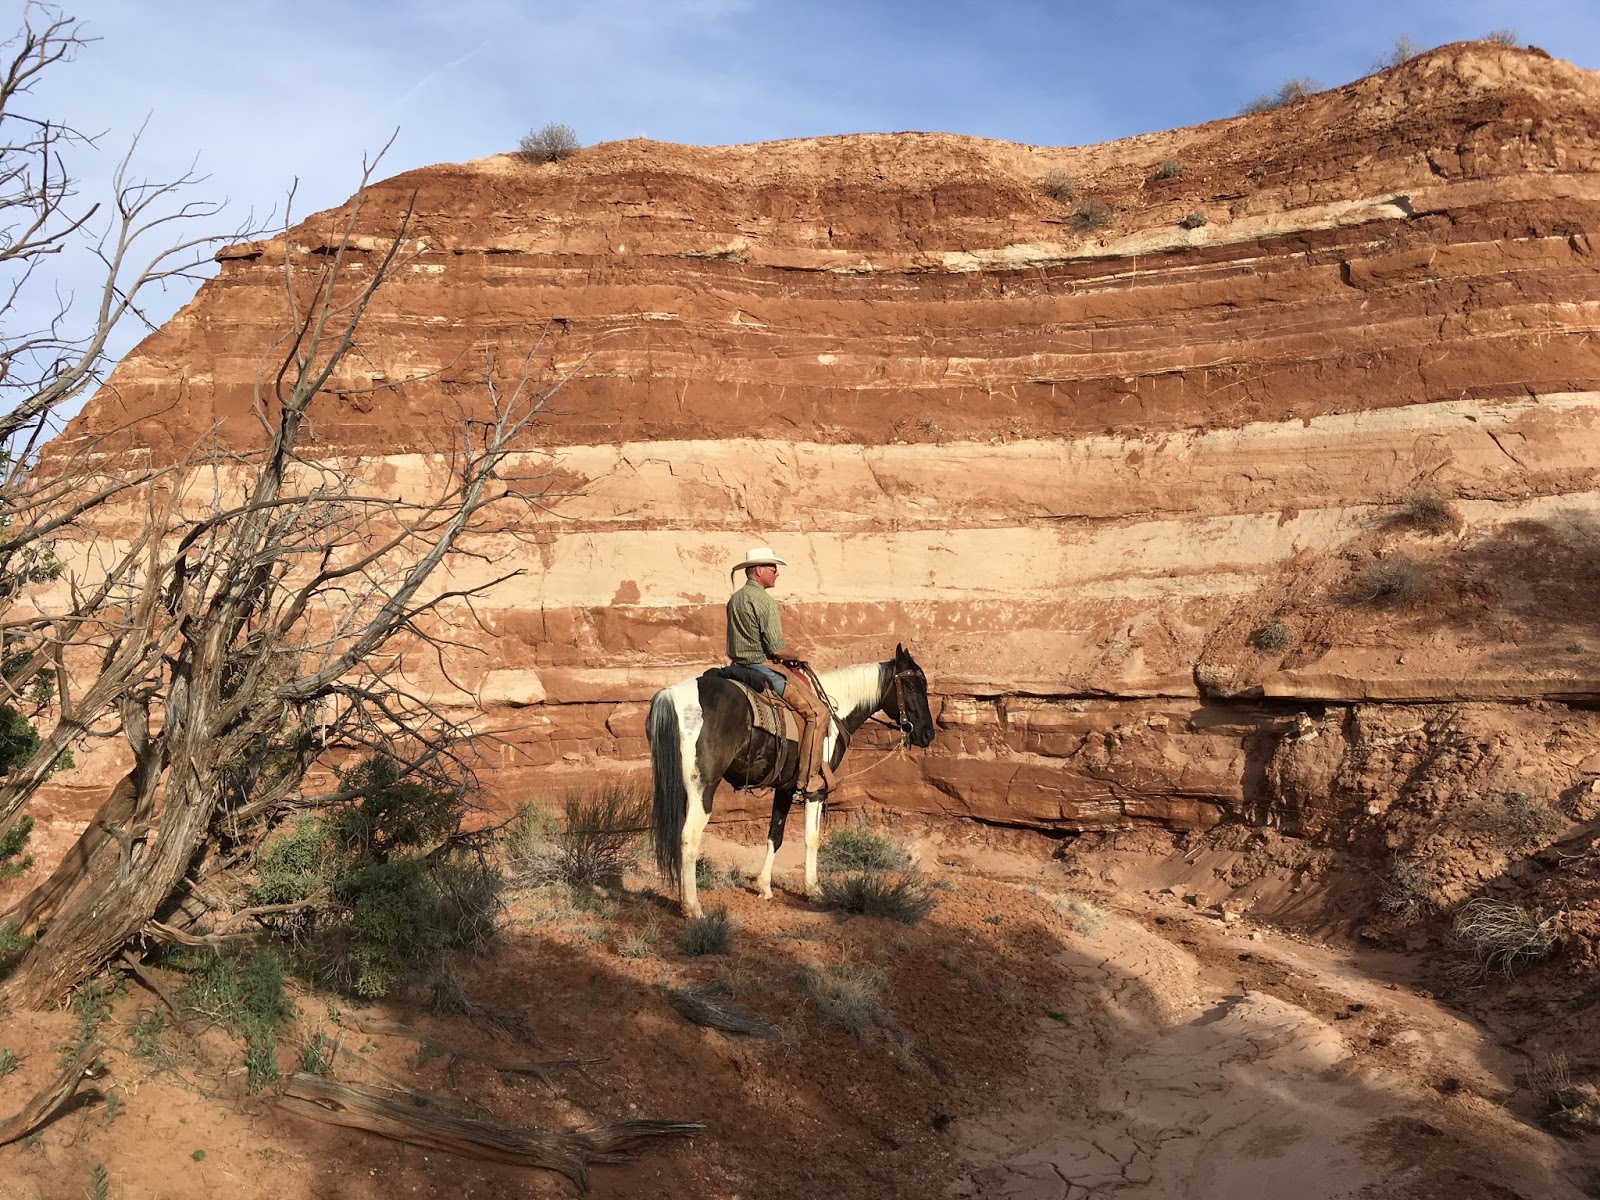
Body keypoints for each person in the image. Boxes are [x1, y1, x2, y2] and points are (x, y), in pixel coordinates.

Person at [725, 546, 832, 798]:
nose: (776, 573)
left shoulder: (735, 599)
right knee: (818, 713)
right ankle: (809, 780)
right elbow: (777, 648)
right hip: (761, 668)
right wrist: (798, 655)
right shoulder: (764, 601)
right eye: (773, 568)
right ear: (759, 571)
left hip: (736, 667)